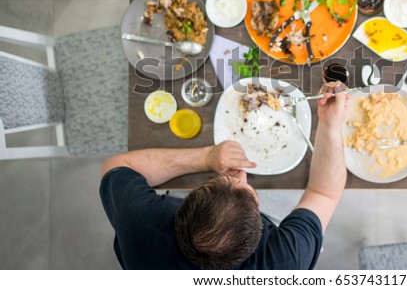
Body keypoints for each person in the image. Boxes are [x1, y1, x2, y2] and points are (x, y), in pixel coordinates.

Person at [99, 84, 351, 269]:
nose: (241, 175)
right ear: (261, 234)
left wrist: (207, 158)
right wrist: (330, 125)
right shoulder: (283, 259)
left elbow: (117, 165)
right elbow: (323, 193)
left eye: (218, 183)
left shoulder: (139, 225)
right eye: (245, 187)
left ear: (180, 210)